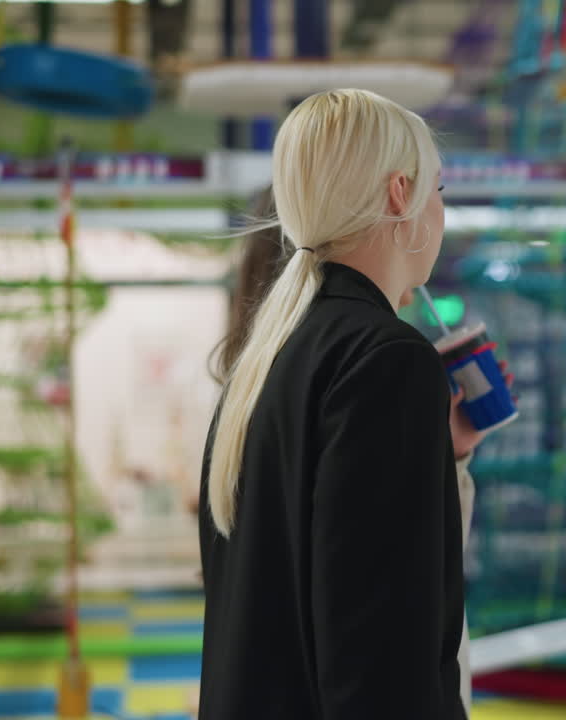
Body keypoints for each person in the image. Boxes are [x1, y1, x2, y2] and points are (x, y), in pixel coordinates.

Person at [197, 89, 498, 719]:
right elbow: (382, 662)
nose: (441, 214)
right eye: (437, 191)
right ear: (399, 194)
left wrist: (443, 458)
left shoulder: (264, 366)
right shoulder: (387, 360)